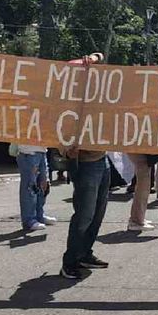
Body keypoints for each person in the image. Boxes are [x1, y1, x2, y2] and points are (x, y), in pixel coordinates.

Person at [60, 53, 113, 279]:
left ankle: (85, 253)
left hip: (102, 161)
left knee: (98, 213)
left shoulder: (96, 100)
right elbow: (59, 133)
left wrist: (92, 57)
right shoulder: (68, 106)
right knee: (84, 215)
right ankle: (70, 261)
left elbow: (98, 56)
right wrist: (66, 150)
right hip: (85, 164)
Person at [16, 143, 55, 232]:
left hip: (41, 151)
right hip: (28, 152)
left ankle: (39, 215)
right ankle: (29, 220)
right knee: (30, 188)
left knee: (43, 185)